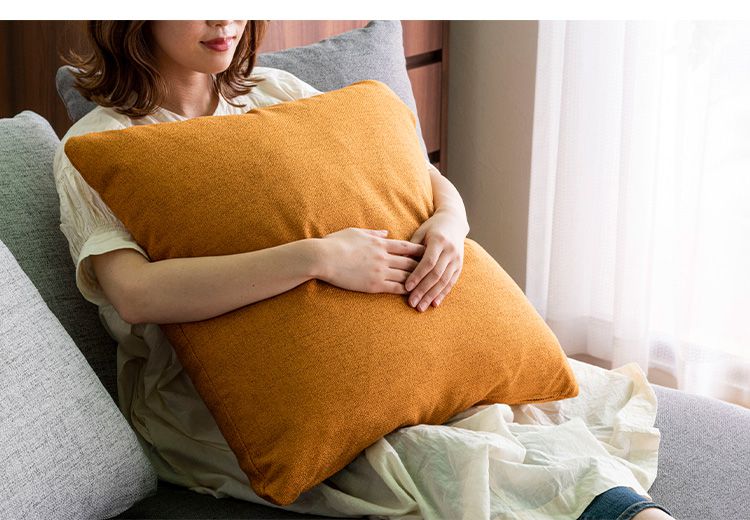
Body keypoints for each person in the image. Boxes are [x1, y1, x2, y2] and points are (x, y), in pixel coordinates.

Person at [54, 20, 675, 520]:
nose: (226, 20)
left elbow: (418, 178)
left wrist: (450, 223)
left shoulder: (274, 93)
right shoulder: (100, 143)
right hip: (220, 389)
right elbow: (135, 294)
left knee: (511, 410)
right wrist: (318, 258)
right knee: (426, 453)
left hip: (365, 334)